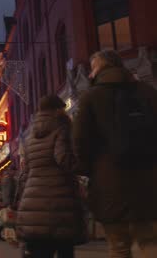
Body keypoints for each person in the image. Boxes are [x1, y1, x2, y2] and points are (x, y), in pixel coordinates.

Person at [73, 49, 157, 258]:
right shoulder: (147, 91)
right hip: (149, 179)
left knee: (118, 245)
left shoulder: (91, 97)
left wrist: (85, 169)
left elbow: (79, 140)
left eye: (92, 69)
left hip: (109, 181)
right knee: (149, 241)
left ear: (98, 68)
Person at [16, 95, 84, 258]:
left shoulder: (30, 135)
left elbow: (26, 171)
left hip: (33, 201)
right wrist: (85, 165)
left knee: (40, 251)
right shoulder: (61, 127)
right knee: (64, 249)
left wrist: (18, 199)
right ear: (58, 109)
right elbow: (63, 159)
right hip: (59, 200)